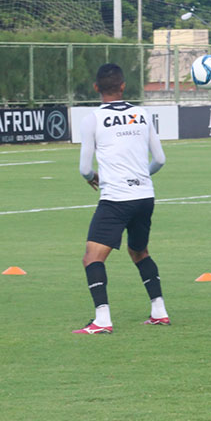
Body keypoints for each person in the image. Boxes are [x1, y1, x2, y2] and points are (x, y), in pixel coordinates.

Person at [73, 63, 169, 334]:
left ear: (96, 88)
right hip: (144, 196)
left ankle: (102, 320)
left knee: (92, 258)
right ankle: (159, 312)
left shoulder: (92, 119)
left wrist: (93, 176)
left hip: (116, 199)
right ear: (123, 86)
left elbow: (84, 169)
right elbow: (160, 159)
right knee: (139, 252)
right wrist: (142, 177)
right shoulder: (142, 113)